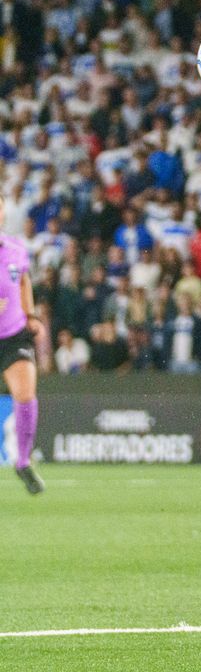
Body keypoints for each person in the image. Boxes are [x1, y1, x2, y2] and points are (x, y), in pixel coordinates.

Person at [0, 197, 46, 494]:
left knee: (26, 393)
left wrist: (30, 315)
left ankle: (23, 461)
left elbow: (24, 280)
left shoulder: (15, 248)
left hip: (13, 333)